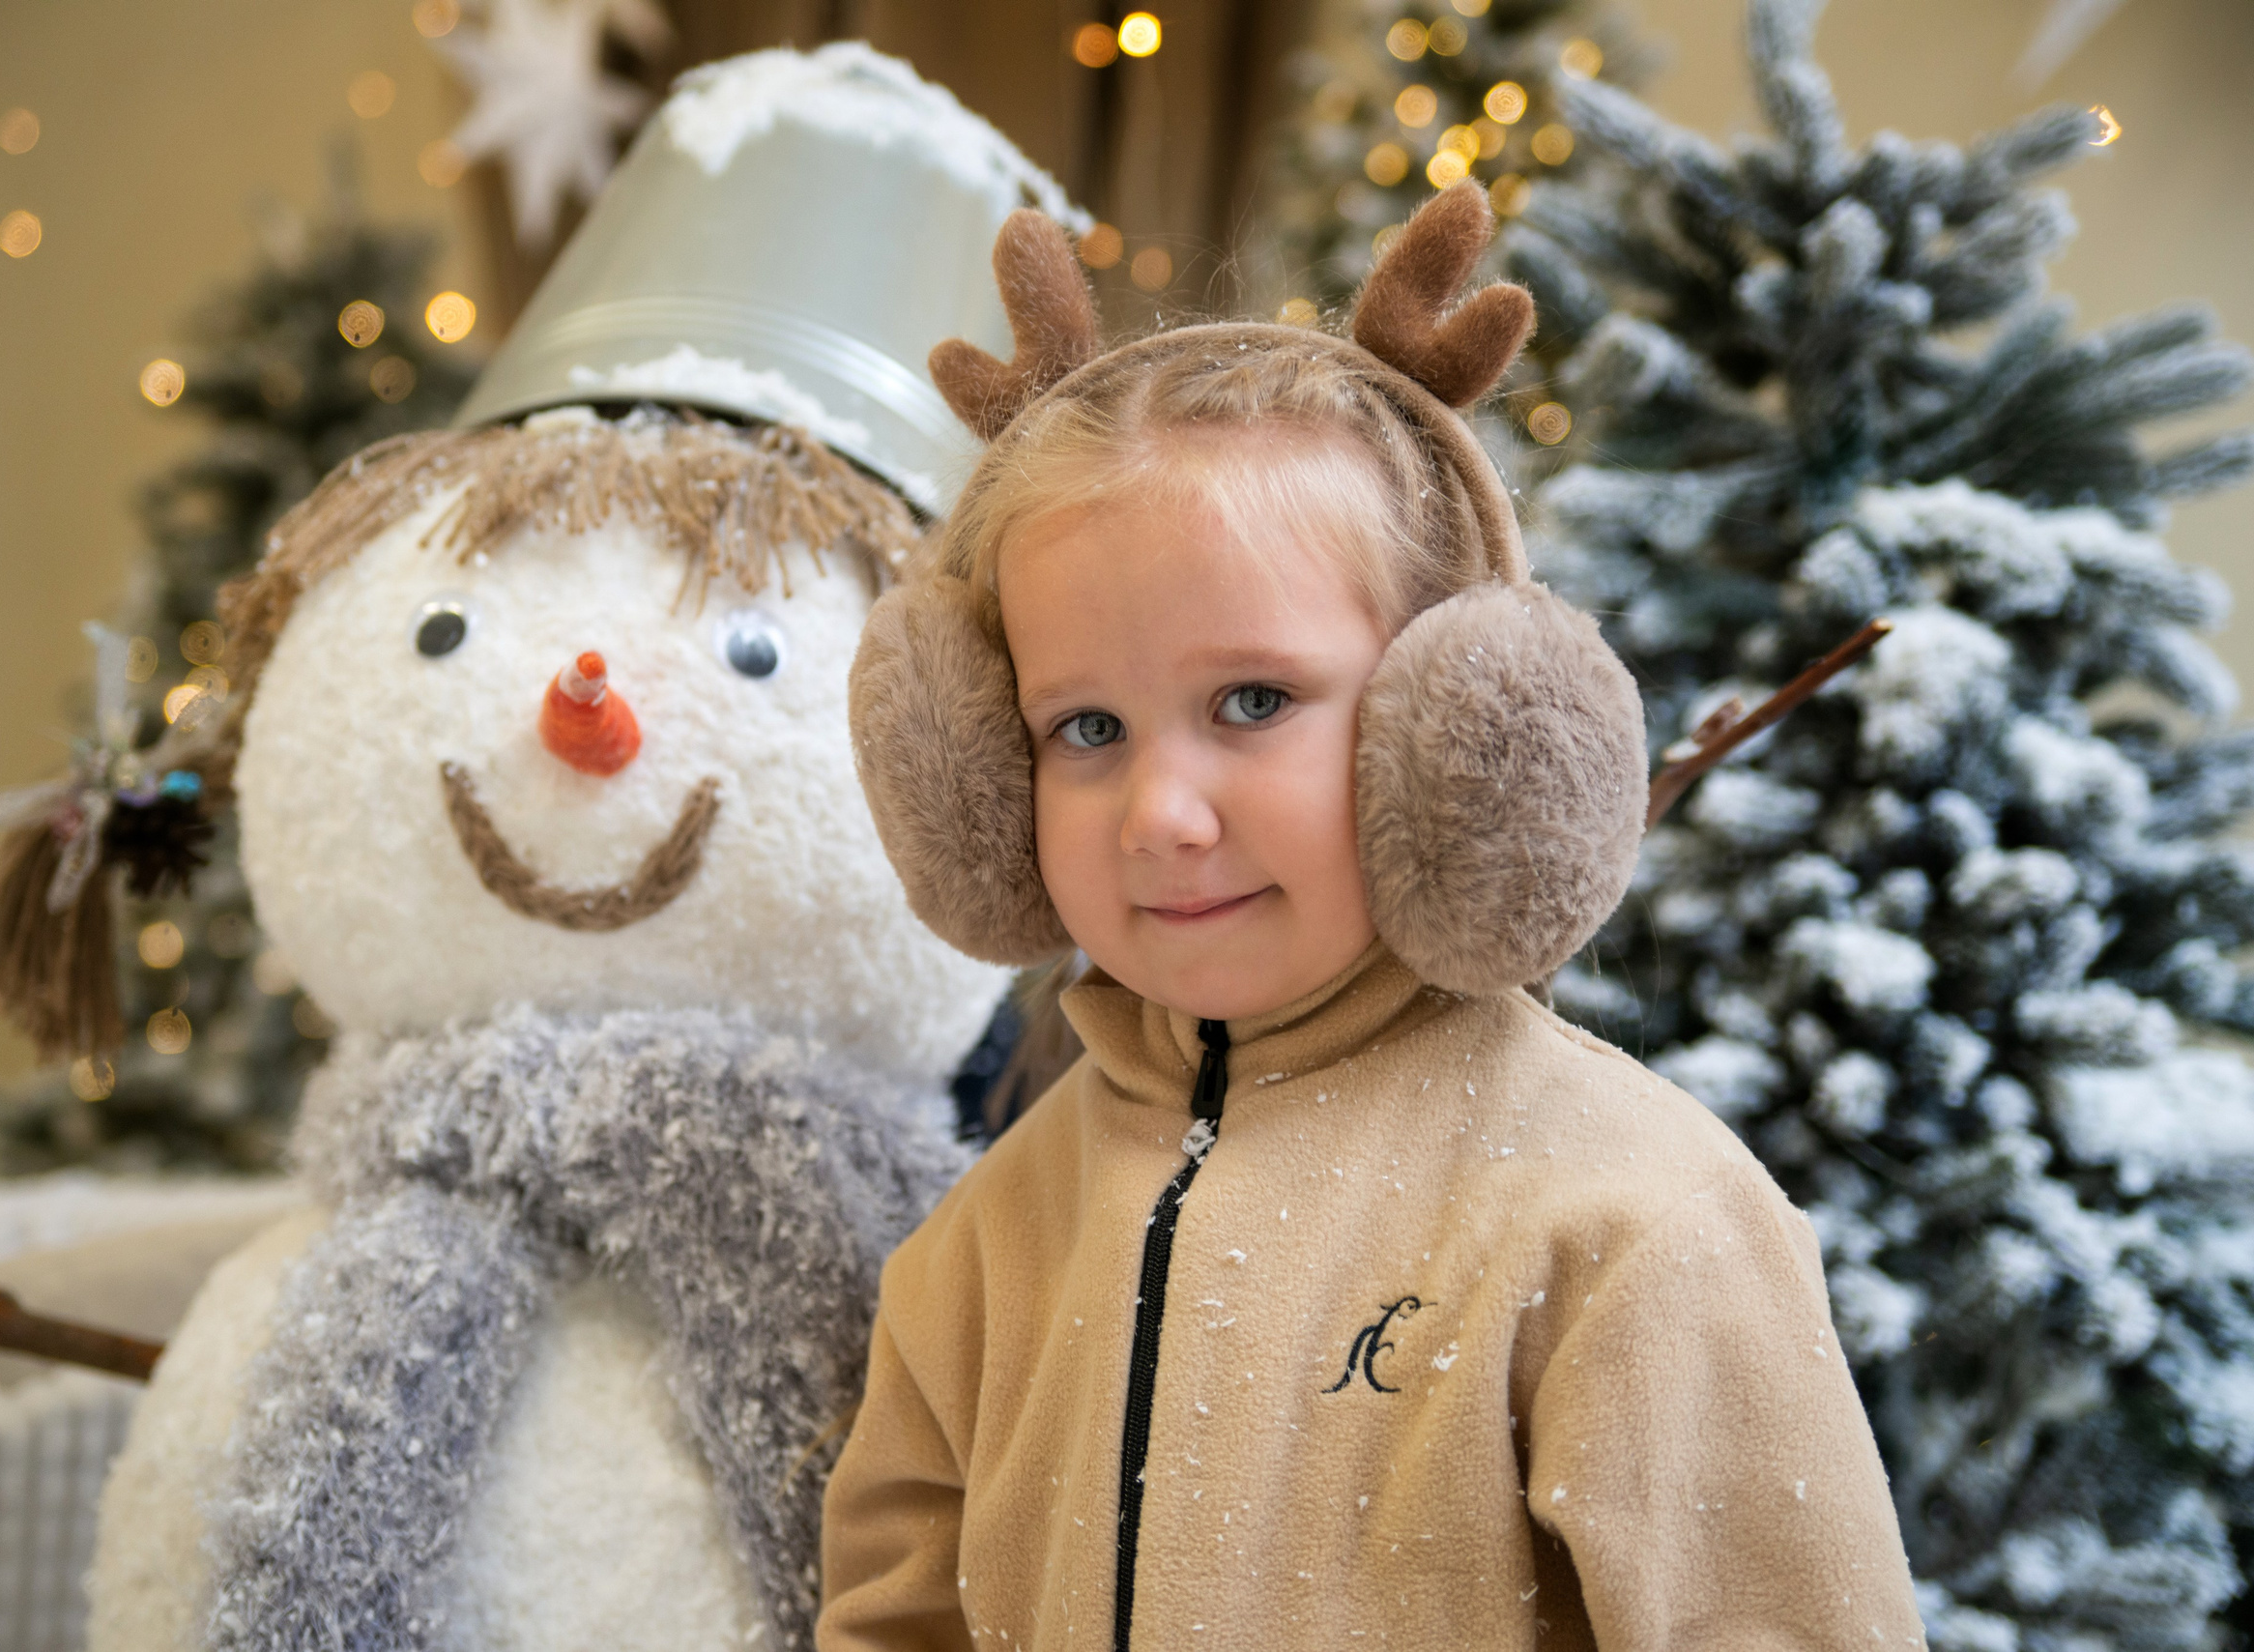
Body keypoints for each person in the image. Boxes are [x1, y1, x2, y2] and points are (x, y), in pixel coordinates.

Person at [820, 186, 1925, 1652]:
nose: (1160, 810)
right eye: (1084, 725)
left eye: (1254, 701)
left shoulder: (1632, 1224)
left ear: (1457, 721)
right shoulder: (983, 1248)